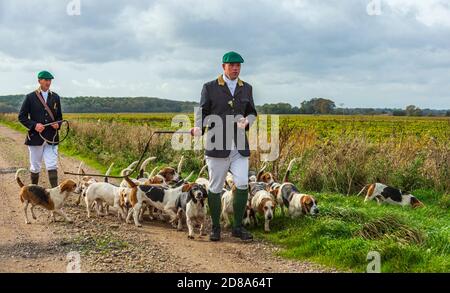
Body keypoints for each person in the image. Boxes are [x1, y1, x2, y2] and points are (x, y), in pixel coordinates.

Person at [192, 51, 257, 241]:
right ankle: (216, 227)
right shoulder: (210, 87)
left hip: (239, 146)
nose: (235, 68)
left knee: (243, 183)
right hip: (217, 145)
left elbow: (252, 112)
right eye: (232, 66)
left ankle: (237, 226)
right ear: (223, 67)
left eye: (238, 66)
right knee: (215, 186)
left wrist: (248, 121)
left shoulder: (247, 88)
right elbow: (202, 112)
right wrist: (198, 126)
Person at [18, 71, 63, 187]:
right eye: (46, 80)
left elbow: (59, 117)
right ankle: (34, 192)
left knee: (52, 165)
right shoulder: (30, 97)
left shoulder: (56, 97)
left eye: (50, 80)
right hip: (35, 138)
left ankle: (54, 193)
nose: (48, 82)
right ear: (39, 81)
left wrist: (58, 124)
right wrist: (34, 125)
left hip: (51, 137)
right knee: (35, 166)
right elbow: (22, 117)